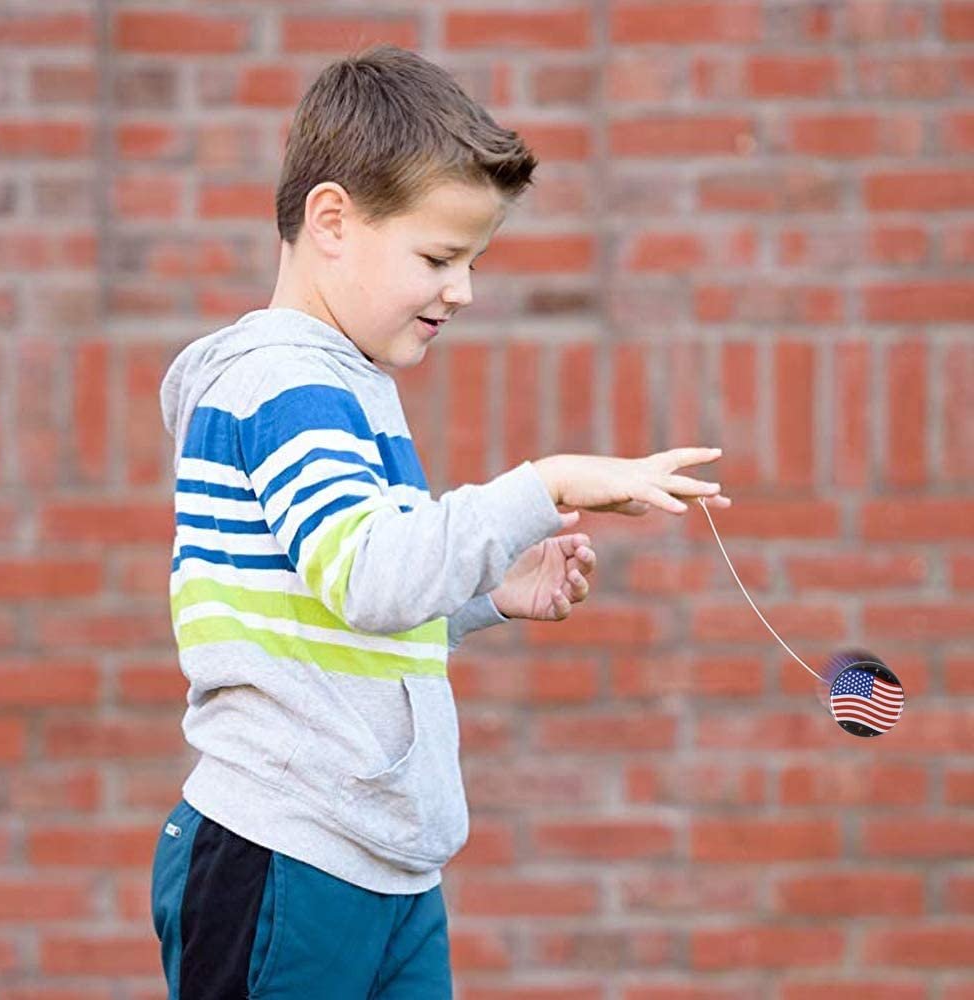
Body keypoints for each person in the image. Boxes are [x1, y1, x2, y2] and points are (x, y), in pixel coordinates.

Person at [150, 43, 730, 1000]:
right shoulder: (283, 385)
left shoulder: (349, 386)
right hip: (286, 855)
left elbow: (337, 599)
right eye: (438, 257)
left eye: (474, 260)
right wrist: (540, 482)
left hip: (386, 866)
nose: (462, 289)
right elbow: (371, 578)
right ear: (330, 219)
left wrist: (482, 593)